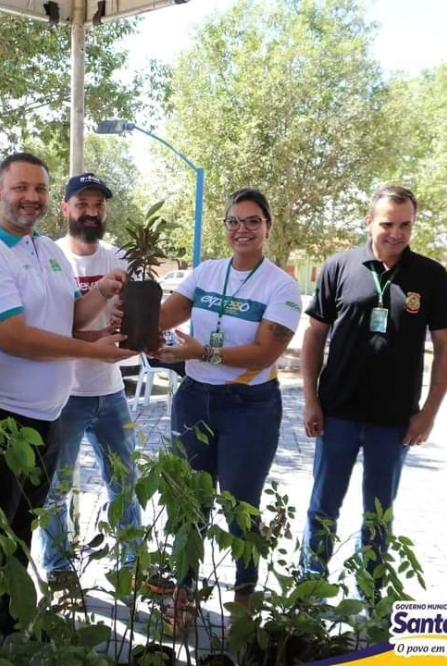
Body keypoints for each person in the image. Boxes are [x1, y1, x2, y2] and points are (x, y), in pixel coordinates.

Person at [0, 152, 135, 635]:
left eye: (39, 189)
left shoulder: (48, 251)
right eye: (20, 188)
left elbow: (70, 317)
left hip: (46, 416)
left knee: (19, 529)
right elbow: (14, 337)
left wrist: (103, 296)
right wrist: (93, 354)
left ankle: (6, 631)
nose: (30, 197)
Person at [153, 187, 302, 630]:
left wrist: (201, 353)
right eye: (234, 221)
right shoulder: (206, 272)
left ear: (268, 227)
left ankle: (243, 604)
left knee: (241, 507)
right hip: (195, 399)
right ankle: (184, 593)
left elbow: (264, 353)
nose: (242, 229)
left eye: (252, 221)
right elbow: (165, 317)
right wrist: (134, 314)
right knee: (189, 503)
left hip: (249, 406)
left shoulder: (282, 284)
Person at [300, 185, 447, 586]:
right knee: (323, 507)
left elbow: (445, 346)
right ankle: (308, 590)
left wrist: (429, 413)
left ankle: (369, 597)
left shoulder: (431, 275)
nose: (396, 233)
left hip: (395, 420)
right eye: (388, 223)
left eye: (406, 225)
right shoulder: (339, 266)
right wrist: (310, 401)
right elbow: (315, 335)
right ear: (369, 220)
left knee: (379, 513)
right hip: (337, 412)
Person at [37, 173, 142, 587]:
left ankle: (131, 565)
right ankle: (59, 569)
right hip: (66, 393)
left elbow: (133, 323)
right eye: (82, 203)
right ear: (65, 209)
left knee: (126, 482)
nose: (91, 211)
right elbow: (50, 329)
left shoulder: (121, 259)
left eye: (98, 204)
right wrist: (93, 338)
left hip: (112, 390)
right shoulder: (52, 258)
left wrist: (134, 331)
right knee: (57, 489)